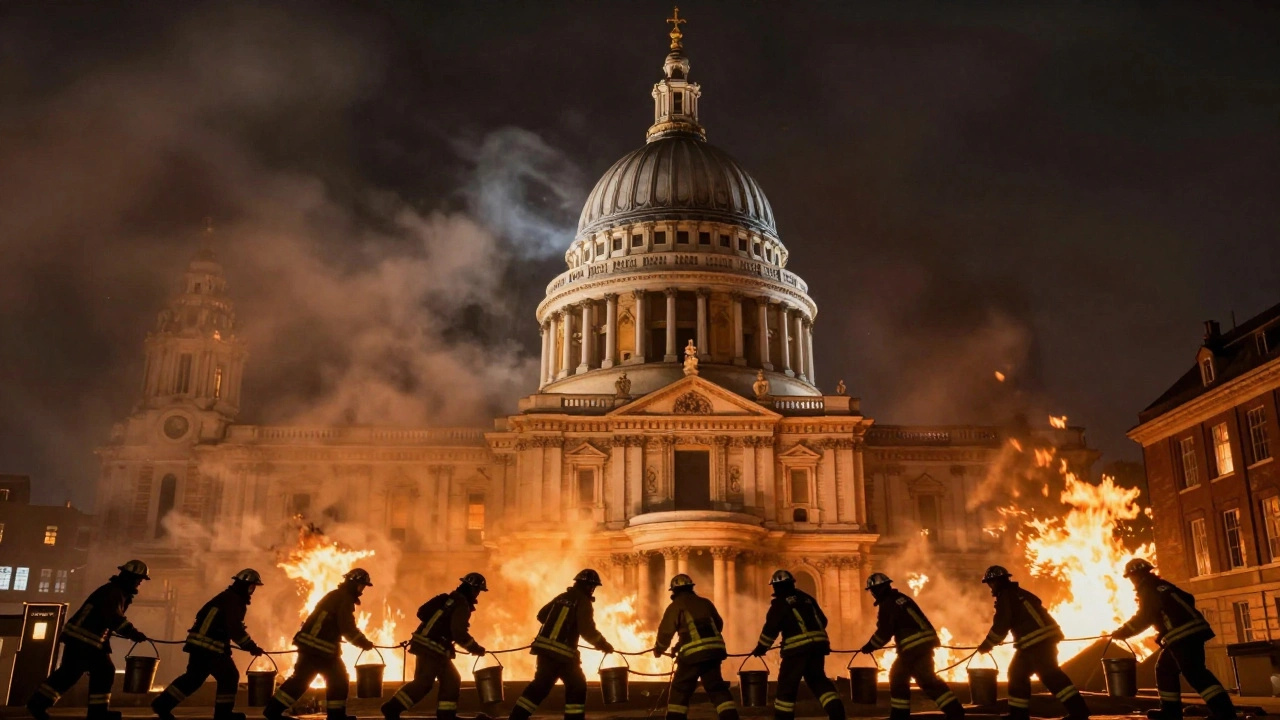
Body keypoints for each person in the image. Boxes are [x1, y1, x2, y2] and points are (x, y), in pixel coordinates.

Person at [1111, 558, 1236, 720]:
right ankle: (1171, 712)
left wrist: (1123, 632)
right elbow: (1188, 597)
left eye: (1132, 577)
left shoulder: (1147, 588)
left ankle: (1224, 713)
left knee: (1196, 674)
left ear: (1137, 575)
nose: (1132, 581)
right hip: (1189, 633)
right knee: (1165, 669)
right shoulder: (1163, 586)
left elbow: (1144, 617)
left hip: (1182, 636)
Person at [27, 560, 151, 720]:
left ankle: (39, 703)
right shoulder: (113, 593)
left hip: (85, 640)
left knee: (73, 673)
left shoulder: (115, 591)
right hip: (84, 640)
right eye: (138, 579)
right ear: (129, 577)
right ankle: (96, 712)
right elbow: (113, 617)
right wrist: (133, 633)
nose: (140, 583)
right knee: (97, 671)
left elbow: (105, 619)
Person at [976, 565, 1088, 720]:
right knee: (1018, 674)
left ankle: (1079, 712)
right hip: (1036, 643)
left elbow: (1002, 624)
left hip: (1037, 643)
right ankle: (1019, 715)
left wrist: (987, 644)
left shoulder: (1006, 596)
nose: (990, 587)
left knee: (1051, 676)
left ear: (996, 582)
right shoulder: (1019, 594)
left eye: (991, 583)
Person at [153, 569, 267, 720]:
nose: (252, 591)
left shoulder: (225, 597)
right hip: (210, 647)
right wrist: (251, 647)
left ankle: (162, 704)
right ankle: (223, 714)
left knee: (193, 679)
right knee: (229, 676)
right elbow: (235, 628)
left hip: (199, 646)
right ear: (244, 585)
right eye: (252, 587)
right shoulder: (234, 600)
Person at [264, 568, 376, 720]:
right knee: (332, 679)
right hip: (319, 649)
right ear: (354, 583)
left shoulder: (336, 595)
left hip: (316, 648)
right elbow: (347, 627)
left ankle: (274, 710)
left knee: (309, 680)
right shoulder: (344, 598)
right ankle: (335, 716)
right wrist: (363, 643)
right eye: (361, 585)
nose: (362, 589)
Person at [509, 569, 615, 720]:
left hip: (544, 652)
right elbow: (587, 630)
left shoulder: (561, 597)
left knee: (539, 688)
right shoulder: (583, 602)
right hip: (564, 656)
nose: (593, 590)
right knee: (577, 687)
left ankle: (516, 717)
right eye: (592, 587)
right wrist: (603, 645)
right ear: (587, 586)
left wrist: (556, 626)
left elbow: (541, 615)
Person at [382, 573, 489, 720]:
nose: (478, 595)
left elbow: (421, 612)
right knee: (424, 683)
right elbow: (459, 633)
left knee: (451, 679)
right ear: (473, 589)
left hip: (427, 645)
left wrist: (440, 625)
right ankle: (392, 708)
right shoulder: (462, 604)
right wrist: (475, 648)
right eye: (478, 591)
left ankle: (446, 715)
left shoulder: (446, 599)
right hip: (433, 648)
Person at [859, 573, 963, 720]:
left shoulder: (888, 603)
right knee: (904, 677)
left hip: (914, 647)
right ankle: (902, 715)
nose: (872, 594)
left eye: (872, 590)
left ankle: (954, 712)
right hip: (919, 645)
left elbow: (885, 631)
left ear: (878, 589)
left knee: (919, 680)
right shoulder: (901, 599)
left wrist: (870, 646)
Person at [752, 570, 845, 720]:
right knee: (819, 682)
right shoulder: (807, 598)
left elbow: (771, 629)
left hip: (797, 652)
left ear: (776, 587)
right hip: (818, 648)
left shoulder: (780, 603)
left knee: (786, 688)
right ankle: (838, 715)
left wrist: (761, 648)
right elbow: (823, 620)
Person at [653, 574, 738, 720]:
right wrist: (680, 644)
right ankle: (730, 717)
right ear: (691, 588)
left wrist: (659, 649)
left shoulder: (676, 605)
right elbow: (717, 625)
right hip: (713, 653)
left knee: (680, 689)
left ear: (674, 591)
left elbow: (666, 631)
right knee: (716, 688)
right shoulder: (705, 603)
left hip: (693, 656)